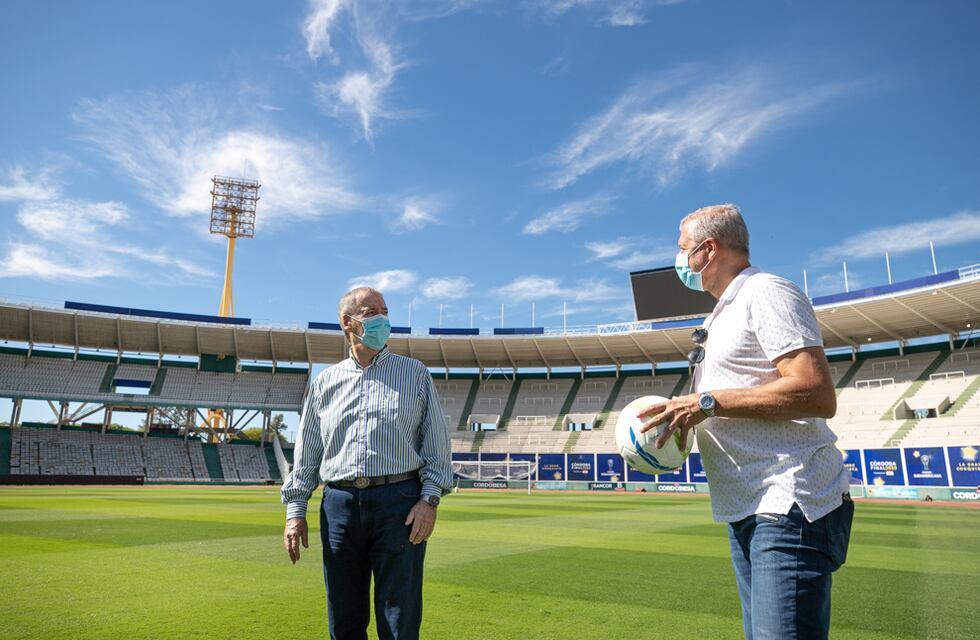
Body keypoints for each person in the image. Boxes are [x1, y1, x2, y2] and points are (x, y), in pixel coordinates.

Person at [639, 204, 854, 640]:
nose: (679, 260)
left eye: (682, 249)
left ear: (708, 248)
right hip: (749, 508)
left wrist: (707, 401)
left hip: (788, 502)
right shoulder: (719, 315)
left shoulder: (767, 292)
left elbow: (815, 391)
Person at [281, 286, 452, 640]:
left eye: (386, 311)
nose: (383, 319)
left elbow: (437, 447)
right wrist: (295, 511)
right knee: (343, 616)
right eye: (373, 312)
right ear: (349, 322)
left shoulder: (415, 374)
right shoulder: (324, 382)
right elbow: (308, 452)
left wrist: (429, 500)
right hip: (339, 505)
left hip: (400, 504)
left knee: (399, 617)